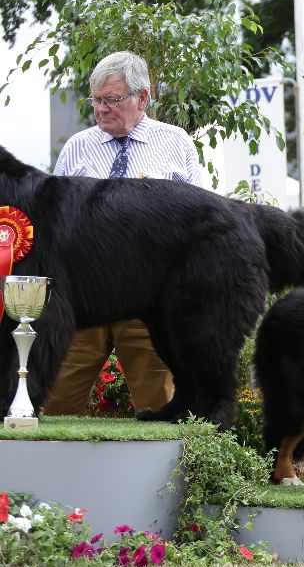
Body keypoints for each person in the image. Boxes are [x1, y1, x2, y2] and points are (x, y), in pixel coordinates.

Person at [45, 51, 203, 415]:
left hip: (150, 303)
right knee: (55, 405)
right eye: (96, 100)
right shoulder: (77, 148)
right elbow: (53, 224)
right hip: (83, 301)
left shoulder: (176, 143)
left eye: (112, 100)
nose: (101, 109)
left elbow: (200, 223)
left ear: (142, 97)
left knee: (163, 408)